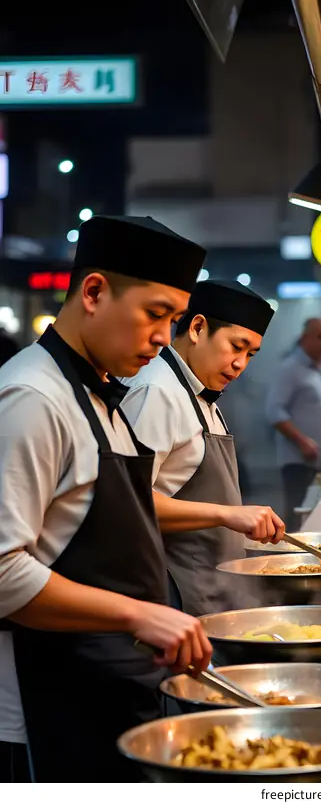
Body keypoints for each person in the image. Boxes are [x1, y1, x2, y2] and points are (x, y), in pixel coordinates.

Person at [0, 215, 217, 782]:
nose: (165, 338)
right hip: (45, 704)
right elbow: (0, 571)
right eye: (155, 314)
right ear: (94, 292)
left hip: (108, 687)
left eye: (173, 319)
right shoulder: (32, 396)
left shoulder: (99, 395)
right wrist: (138, 613)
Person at [121, 280, 284, 617]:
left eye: (250, 354)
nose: (241, 364)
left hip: (214, 588)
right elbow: (128, 501)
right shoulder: (158, 391)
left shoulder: (200, 391)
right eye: (236, 347)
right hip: (176, 594)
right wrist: (227, 514)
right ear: (197, 328)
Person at [266, 317, 321, 530]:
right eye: (320, 337)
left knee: (317, 515)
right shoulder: (290, 368)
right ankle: (291, 558)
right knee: (298, 514)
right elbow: (273, 411)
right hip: (298, 460)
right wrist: (302, 441)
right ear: (304, 338)